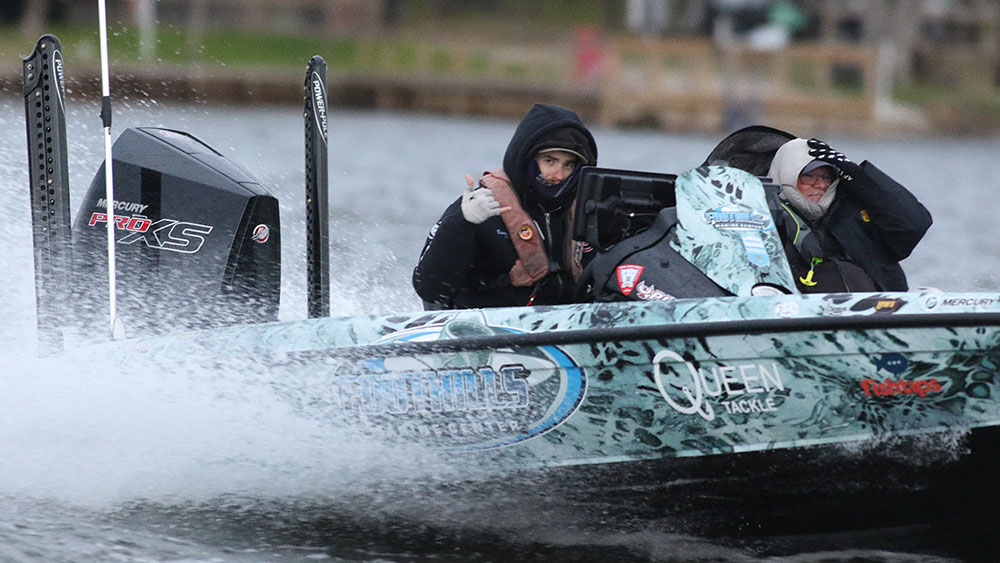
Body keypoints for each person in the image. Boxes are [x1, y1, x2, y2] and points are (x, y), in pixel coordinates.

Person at [412, 103, 598, 309]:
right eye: (549, 161)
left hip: (564, 319)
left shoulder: (587, 211)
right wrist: (461, 224)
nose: (559, 175)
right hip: (482, 319)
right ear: (527, 159)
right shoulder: (480, 206)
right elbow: (429, 289)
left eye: (568, 165)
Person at [765, 137, 932, 293]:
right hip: (800, 308)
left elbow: (914, 225)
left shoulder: (854, 209)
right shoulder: (764, 218)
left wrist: (858, 176)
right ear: (787, 175)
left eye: (827, 176)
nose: (821, 184)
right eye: (809, 176)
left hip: (881, 308)